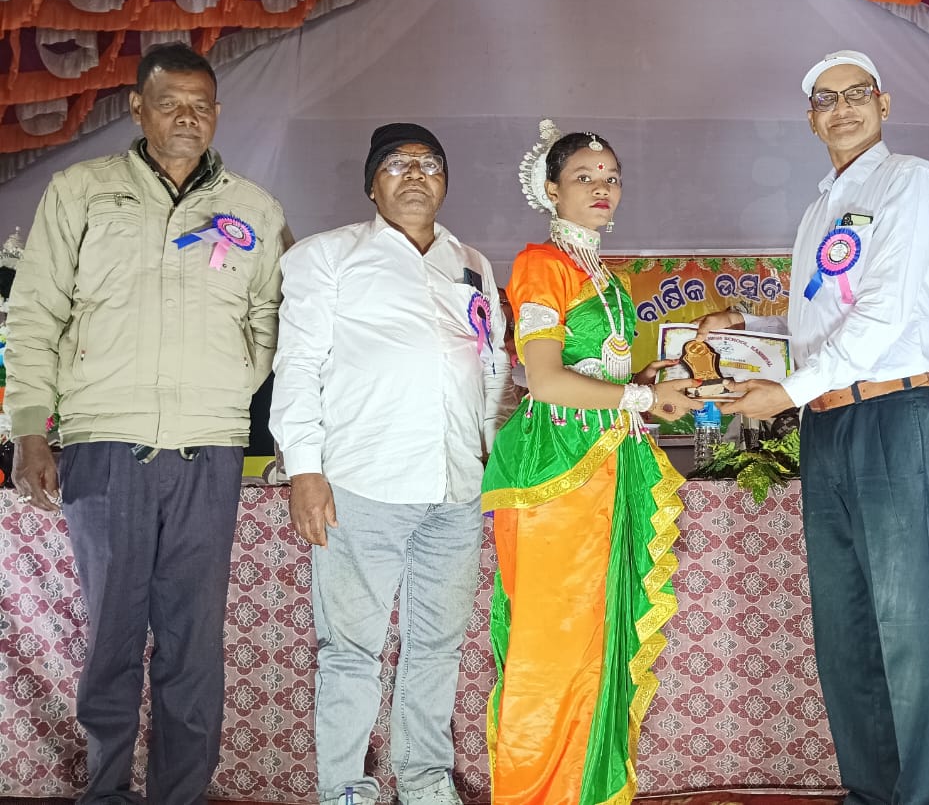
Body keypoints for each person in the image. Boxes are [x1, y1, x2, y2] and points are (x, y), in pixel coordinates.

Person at [4, 42, 287, 805]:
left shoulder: (254, 209)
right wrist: (30, 427)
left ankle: (179, 795)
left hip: (209, 451)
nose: (186, 117)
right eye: (169, 103)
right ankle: (105, 790)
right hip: (104, 445)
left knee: (194, 640)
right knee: (113, 634)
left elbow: (269, 322)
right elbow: (35, 311)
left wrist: (223, 385)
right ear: (137, 109)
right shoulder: (81, 192)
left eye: (199, 105)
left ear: (217, 113)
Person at [697, 51, 929, 805]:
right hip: (826, 422)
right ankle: (868, 794)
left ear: (884, 102)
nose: (842, 108)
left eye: (856, 94)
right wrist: (748, 326)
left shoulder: (909, 179)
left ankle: (924, 799)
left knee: (906, 626)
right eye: (825, 100)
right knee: (844, 625)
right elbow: (819, 327)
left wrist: (785, 391)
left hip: (889, 413)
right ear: (810, 119)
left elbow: (884, 315)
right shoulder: (821, 207)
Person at [270, 123, 511, 805]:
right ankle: (345, 788)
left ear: (445, 181)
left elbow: (492, 364)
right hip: (360, 484)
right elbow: (298, 363)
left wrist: (492, 449)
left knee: (437, 646)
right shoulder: (328, 255)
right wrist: (305, 469)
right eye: (397, 165)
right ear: (372, 184)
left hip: (457, 488)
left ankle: (425, 781)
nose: (415, 175)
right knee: (350, 650)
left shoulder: (470, 262)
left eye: (429, 164)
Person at [481, 120, 699, 805]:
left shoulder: (607, 274)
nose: (602, 188)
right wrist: (644, 396)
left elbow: (603, 374)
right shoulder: (539, 264)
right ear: (551, 190)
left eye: (611, 178)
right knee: (552, 645)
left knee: (597, 642)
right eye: (584, 177)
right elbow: (546, 381)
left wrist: (657, 380)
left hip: (607, 463)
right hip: (556, 470)